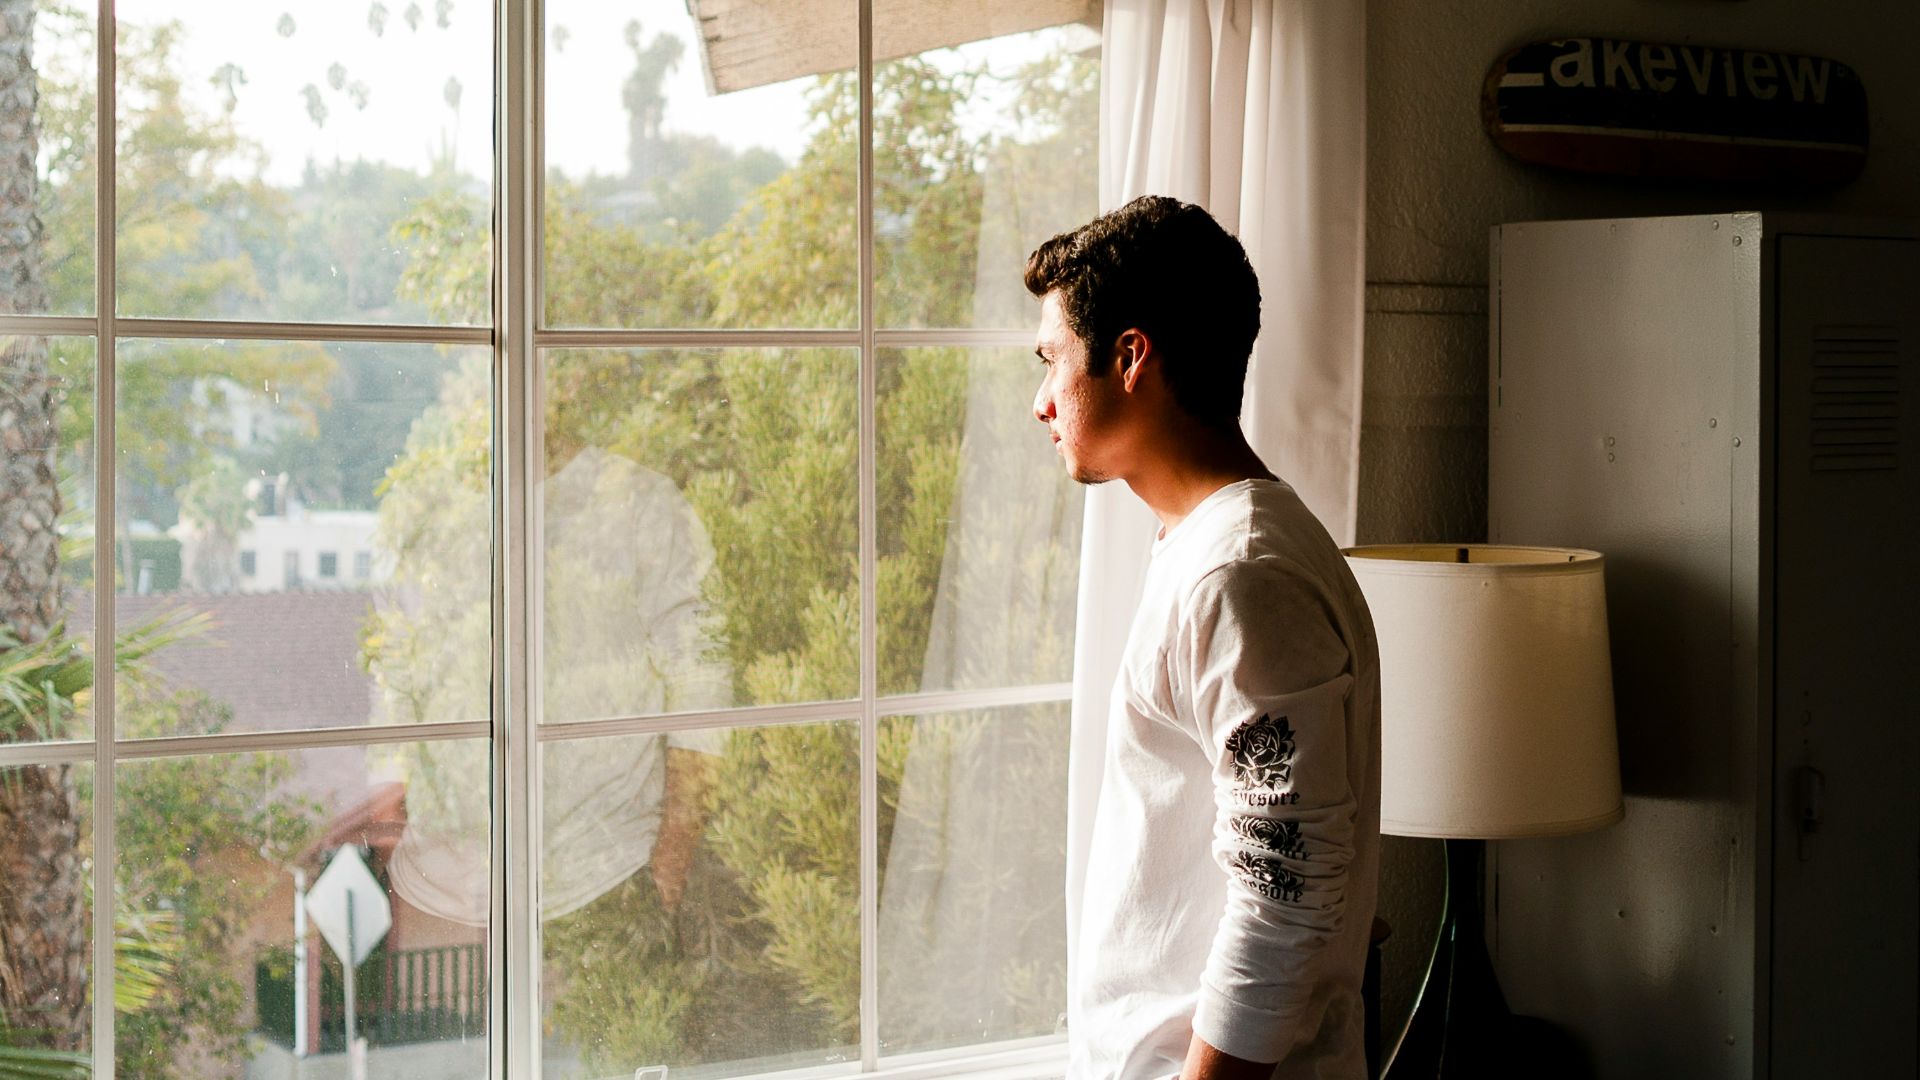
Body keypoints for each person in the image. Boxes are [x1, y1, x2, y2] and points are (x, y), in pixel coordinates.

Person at [1027, 195, 1381, 1080]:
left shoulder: (1241, 573)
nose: (1042, 403)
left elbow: (1284, 890)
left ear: (1130, 356)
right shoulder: (1217, 548)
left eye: (1053, 360)